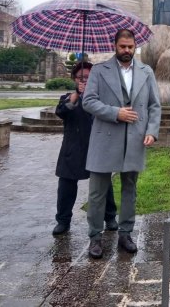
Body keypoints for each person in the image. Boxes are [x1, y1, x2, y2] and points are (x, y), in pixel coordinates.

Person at [82, 29, 161, 259]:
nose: (126, 51)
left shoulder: (146, 71)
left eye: (130, 47)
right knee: (97, 192)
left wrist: (152, 131)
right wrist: (116, 113)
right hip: (105, 138)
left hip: (135, 138)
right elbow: (88, 101)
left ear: (135, 46)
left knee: (130, 189)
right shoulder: (98, 71)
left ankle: (125, 233)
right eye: (122, 47)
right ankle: (95, 237)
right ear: (114, 45)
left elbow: (155, 105)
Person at [52, 62, 118, 236]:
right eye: (81, 78)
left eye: (88, 78)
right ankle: (63, 221)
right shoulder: (68, 97)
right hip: (72, 149)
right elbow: (61, 112)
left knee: (104, 186)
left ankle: (110, 217)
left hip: (95, 148)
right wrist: (76, 95)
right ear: (74, 79)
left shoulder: (100, 99)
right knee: (66, 187)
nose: (84, 81)